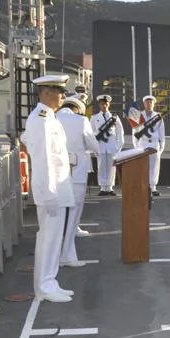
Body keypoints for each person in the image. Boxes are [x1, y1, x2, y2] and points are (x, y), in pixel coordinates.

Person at [21, 74, 75, 302]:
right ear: (45, 93)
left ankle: (50, 281)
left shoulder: (49, 118)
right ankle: (44, 286)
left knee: (53, 239)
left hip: (59, 188)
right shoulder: (41, 119)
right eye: (59, 91)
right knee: (49, 239)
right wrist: (49, 193)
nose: (63, 96)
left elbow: (29, 141)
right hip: (51, 191)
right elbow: (42, 159)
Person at [57, 95, 100, 268]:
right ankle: (67, 254)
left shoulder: (52, 119)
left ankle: (56, 254)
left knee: (58, 215)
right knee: (73, 211)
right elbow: (94, 146)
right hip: (76, 172)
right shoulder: (81, 121)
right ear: (78, 109)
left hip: (56, 173)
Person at [91, 94, 124, 196]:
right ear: (99, 105)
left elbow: (120, 132)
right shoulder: (94, 118)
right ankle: (102, 187)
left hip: (111, 146)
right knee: (101, 166)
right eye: (102, 104)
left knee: (111, 167)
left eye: (105, 104)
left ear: (108, 104)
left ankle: (109, 187)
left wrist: (118, 147)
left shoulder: (115, 118)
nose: (104, 106)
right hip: (100, 146)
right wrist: (94, 148)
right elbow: (91, 133)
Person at [134, 94, 165, 196]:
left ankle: (153, 187)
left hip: (154, 143)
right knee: (143, 166)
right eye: (147, 102)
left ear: (154, 104)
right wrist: (136, 146)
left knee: (154, 166)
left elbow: (161, 133)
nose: (149, 103)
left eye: (151, 102)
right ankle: (143, 186)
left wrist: (161, 147)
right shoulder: (139, 115)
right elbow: (135, 132)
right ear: (144, 103)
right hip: (143, 142)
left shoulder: (158, 116)